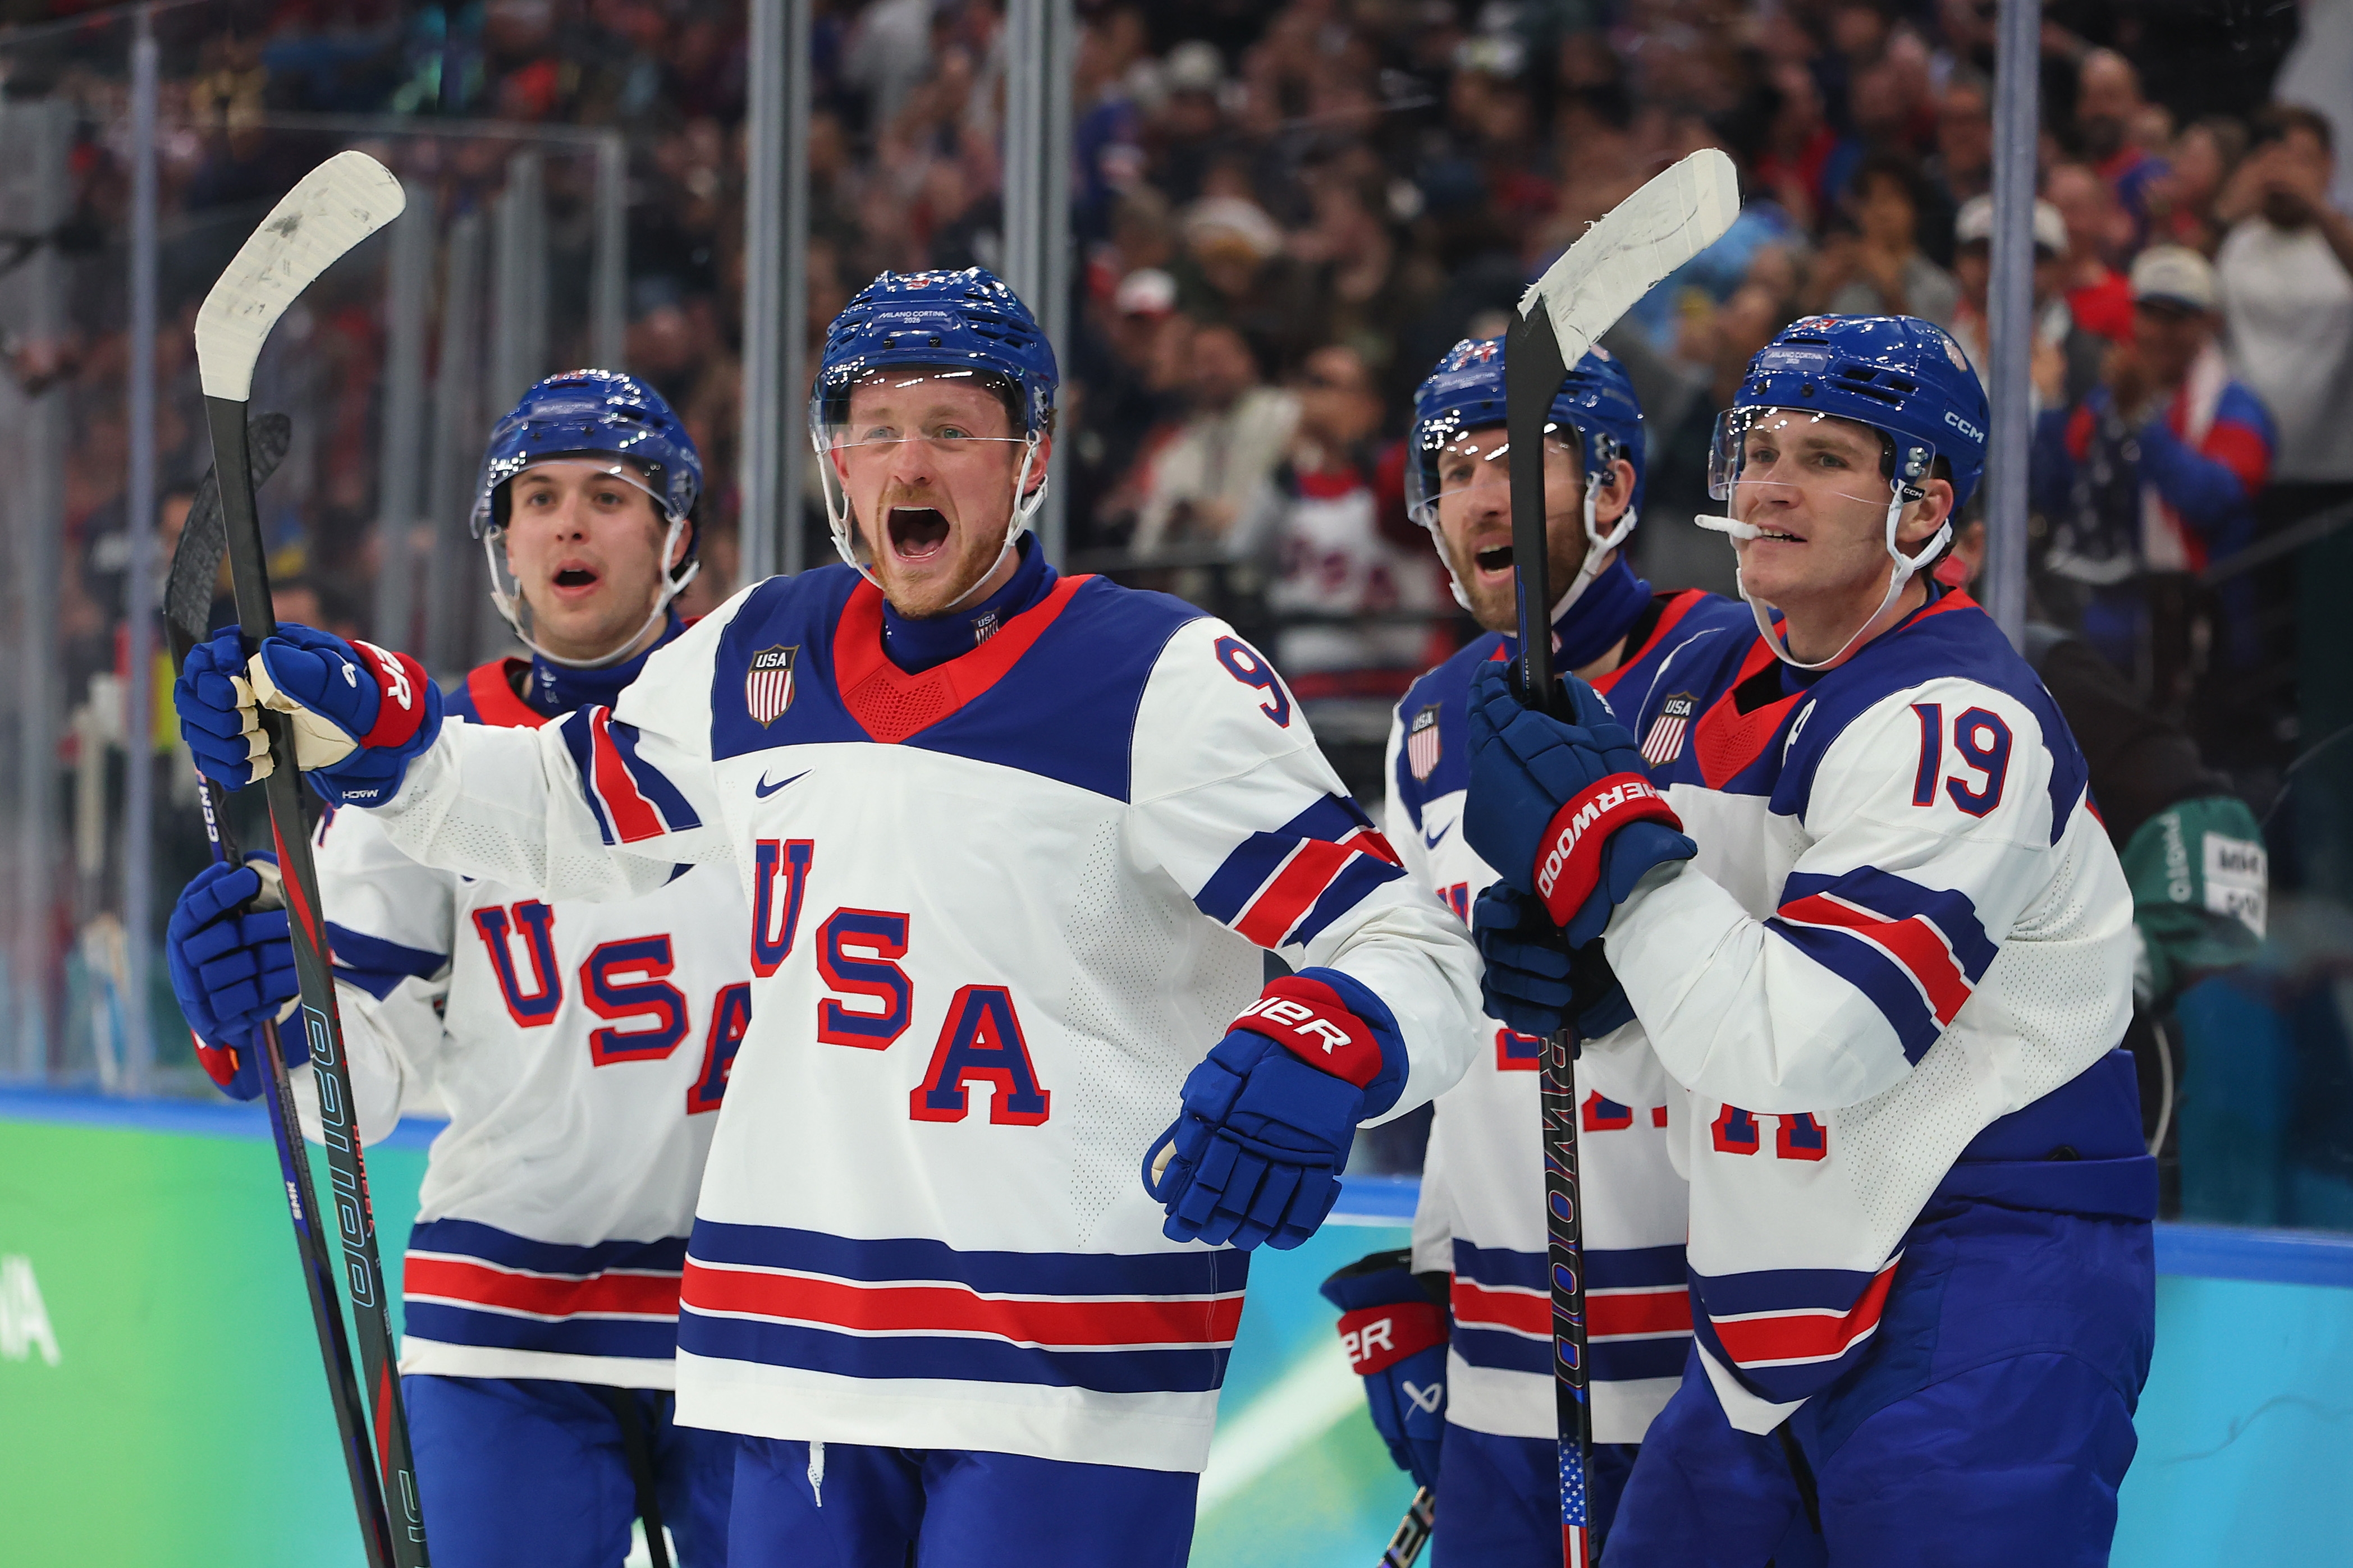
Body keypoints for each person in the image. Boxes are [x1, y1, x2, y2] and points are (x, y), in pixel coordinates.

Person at [172, 267, 1484, 1568]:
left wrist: (1334, 1041)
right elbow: (562, 812)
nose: (909, 459)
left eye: (953, 428)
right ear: (832, 463)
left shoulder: (1160, 677)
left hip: (1064, 1371)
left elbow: (1409, 946)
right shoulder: (757, 653)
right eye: (875, 428)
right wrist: (390, 736)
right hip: (789, 1360)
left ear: (1028, 461)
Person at [1470, 315, 2155, 1565]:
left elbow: (1805, 1044)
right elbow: (1693, 957)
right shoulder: (1689, 681)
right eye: (1757, 447)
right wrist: (1589, 970)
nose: (1768, 483)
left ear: (1920, 504)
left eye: (1828, 456)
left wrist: (1613, 869)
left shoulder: (1955, 720)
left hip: (1975, 1272)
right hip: (1761, 1293)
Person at [163, 371, 741, 1567]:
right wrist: (271, 1006)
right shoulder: (419, 770)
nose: (568, 522)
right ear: (504, 543)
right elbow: (360, 1086)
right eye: (536, 497)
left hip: (762, 1311)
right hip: (505, 1324)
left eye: (608, 495)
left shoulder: (777, 732)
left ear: (676, 536)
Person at [1320, 336, 1753, 1564]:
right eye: (1451, 468)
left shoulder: (1731, 664)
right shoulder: (1426, 719)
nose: (1477, 495)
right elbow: (1440, 1003)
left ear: (1612, 487)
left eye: (1516, 460)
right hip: (1506, 1351)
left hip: (1709, 1349)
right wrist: (1430, 1274)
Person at [2030, 244, 2276, 690]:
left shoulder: (2237, 407)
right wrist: (2051, 409)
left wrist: (2143, 422)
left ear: (2209, 324)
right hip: (2110, 618)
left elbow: (2211, 501)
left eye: (2178, 317)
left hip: (2204, 632)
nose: (2161, 331)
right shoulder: (2109, 399)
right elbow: (2060, 492)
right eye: (2151, 314)